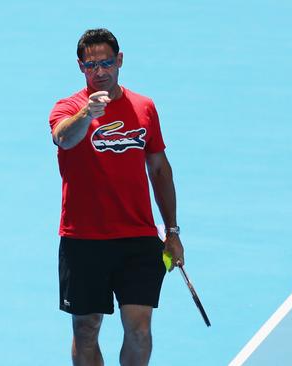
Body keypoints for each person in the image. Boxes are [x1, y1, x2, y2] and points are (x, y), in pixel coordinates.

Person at [49, 28, 184, 366]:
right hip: (83, 240)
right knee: (86, 328)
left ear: (119, 61)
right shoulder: (68, 107)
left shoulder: (144, 107)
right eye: (91, 65)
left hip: (138, 237)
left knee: (139, 329)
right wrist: (87, 115)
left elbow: (159, 169)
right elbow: (63, 138)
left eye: (106, 63)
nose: (100, 71)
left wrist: (172, 232)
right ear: (80, 67)